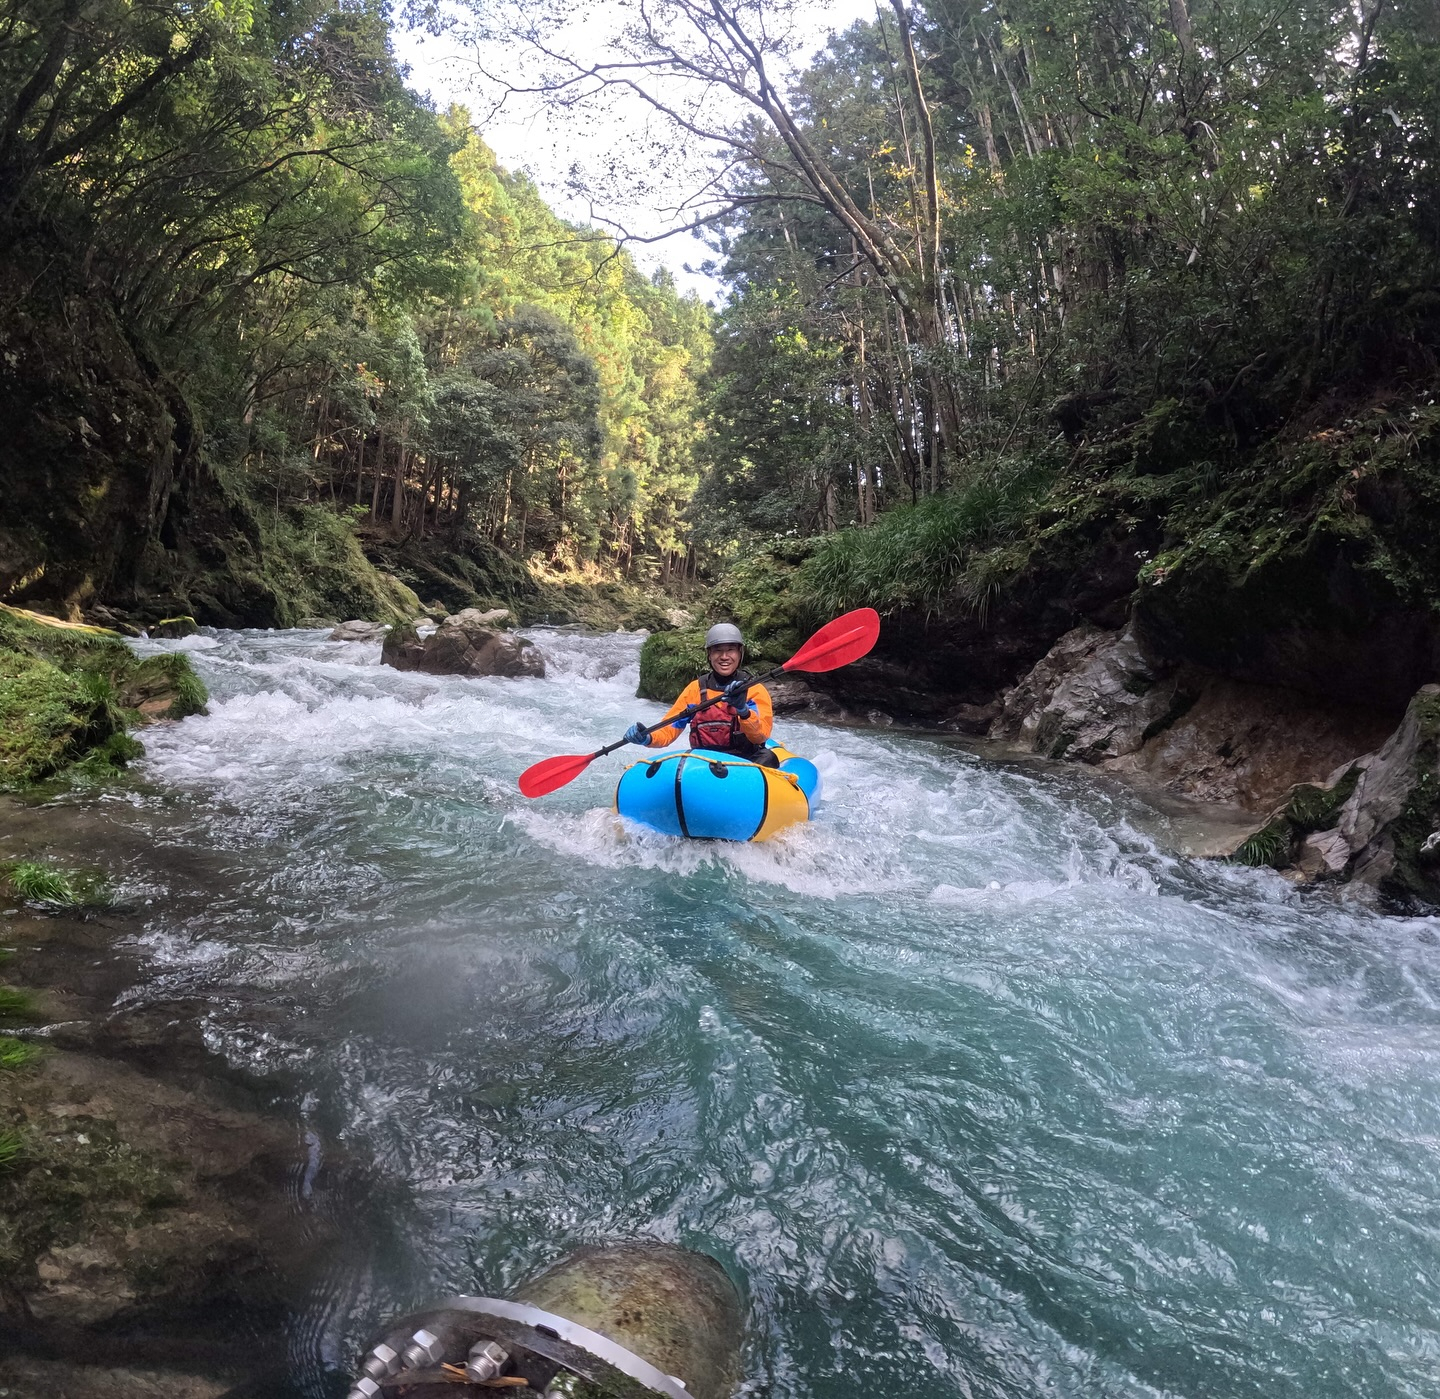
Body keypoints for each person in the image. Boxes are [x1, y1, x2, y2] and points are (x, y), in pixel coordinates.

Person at [624, 623, 779, 767]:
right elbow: (669, 729)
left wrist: (743, 711)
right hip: (705, 764)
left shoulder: (754, 689)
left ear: (740, 653)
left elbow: (760, 736)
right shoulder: (695, 690)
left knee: (769, 758)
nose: (724, 656)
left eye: (730, 650)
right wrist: (647, 738)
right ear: (709, 654)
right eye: (718, 650)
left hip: (744, 762)